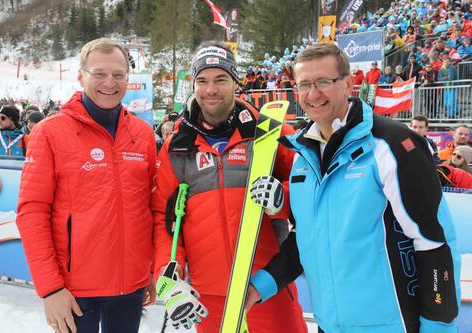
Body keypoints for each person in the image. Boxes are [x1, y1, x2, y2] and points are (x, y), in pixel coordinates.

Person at [246, 44, 460, 333]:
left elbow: (434, 241)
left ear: (348, 84)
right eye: (304, 84)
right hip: (329, 324)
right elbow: (305, 238)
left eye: (323, 82)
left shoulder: (392, 145)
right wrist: (261, 286)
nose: (313, 94)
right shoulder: (303, 156)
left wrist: (438, 325)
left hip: (391, 324)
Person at [152, 41, 307, 333]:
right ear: (193, 85)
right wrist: (170, 277)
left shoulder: (269, 131)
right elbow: (163, 218)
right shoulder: (177, 147)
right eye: (202, 81)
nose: (211, 90)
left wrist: (281, 198)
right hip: (207, 295)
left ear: (235, 82)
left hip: (267, 286)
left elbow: (310, 189)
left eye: (221, 79)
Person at [16, 38, 157, 333]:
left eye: (118, 75)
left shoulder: (142, 134)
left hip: (130, 286)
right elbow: (32, 213)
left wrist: (151, 270)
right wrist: (50, 289)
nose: (110, 82)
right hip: (74, 290)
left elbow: (150, 208)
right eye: (99, 74)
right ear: (80, 76)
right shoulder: (50, 133)